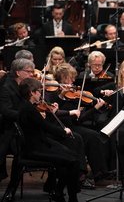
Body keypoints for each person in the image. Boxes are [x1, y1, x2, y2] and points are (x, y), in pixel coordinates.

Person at [18, 78, 80, 202]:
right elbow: (46, 127)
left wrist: (51, 114)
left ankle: (59, 192)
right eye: (39, 91)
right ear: (32, 93)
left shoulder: (27, 106)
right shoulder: (29, 109)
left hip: (39, 143)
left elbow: (40, 125)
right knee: (73, 161)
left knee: (70, 157)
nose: (41, 94)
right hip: (35, 149)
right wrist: (64, 131)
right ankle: (70, 197)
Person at [0, 59, 36, 199]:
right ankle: (11, 189)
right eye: (28, 71)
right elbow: (6, 111)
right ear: (18, 72)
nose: (31, 74)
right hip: (9, 129)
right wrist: (28, 115)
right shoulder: (6, 87)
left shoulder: (21, 85)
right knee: (20, 152)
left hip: (20, 126)